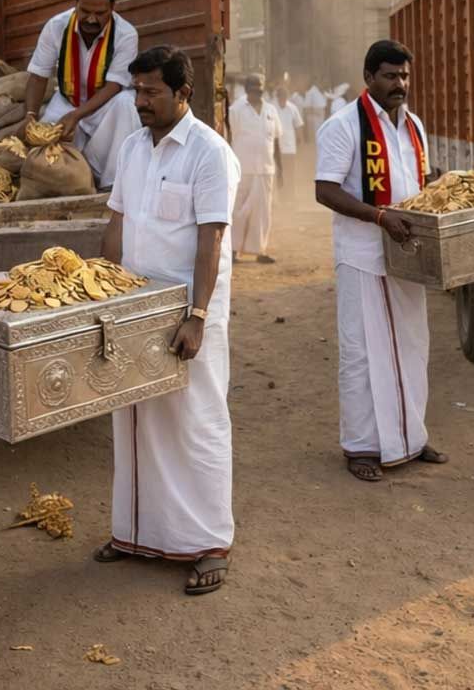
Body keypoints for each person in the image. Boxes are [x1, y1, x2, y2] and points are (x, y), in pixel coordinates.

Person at [94, 45, 241, 595]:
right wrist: (101, 295)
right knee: (132, 418)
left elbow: (212, 238)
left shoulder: (210, 153)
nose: (141, 102)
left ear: (183, 93)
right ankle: (133, 533)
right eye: (136, 91)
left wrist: (197, 316)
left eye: (152, 91)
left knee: (196, 420)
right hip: (132, 308)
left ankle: (209, 543)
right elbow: (117, 221)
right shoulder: (133, 148)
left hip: (187, 312)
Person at [315, 40, 449, 483]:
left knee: (413, 345)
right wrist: (379, 216)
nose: (400, 85)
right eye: (391, 76)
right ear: (369, 77)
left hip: (408, 254)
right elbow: (325, 190)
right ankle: (361, 445)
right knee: (362, 352)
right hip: (362, 254)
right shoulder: (343, 126)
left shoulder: (414, 126)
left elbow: (423, 182)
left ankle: (411, 436)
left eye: (405, 76)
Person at [23, 0, 140, 187]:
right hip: (66, 100)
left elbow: (115, 85)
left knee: (127, 103)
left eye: (100, 13)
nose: (91, 19)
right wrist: (30, 116)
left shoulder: (126, 34)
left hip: (105, 104)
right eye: (84, 11)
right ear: (75, 3)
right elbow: (39, 75)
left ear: (112, 8)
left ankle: (112, 185)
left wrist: (76, 116)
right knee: (44, 157)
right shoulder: (56, 26)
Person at [228, 74, 283, 263]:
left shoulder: (271, 110)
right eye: (253, 89)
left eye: (260, 89)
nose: (257, 93)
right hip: (243, 167)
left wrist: (280, 169)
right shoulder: (235, 110)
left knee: (263, 212)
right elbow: (230, 138)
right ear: (246, 90)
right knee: (238, 209)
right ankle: (234, 250)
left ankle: (260, 250)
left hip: (266, 169)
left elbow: (275, 141)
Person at [274, 84, 305, 196]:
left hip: (290, 147)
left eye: (284, 97)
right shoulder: (272, 108)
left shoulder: (292, 108)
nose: (282, 99)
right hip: (276, 147)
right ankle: (280, 196)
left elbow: (298, 125)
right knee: (278, 173)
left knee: (290, 173)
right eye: (280, 97)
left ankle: (290, 196)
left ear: (287, 97)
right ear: (277, 97)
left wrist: (300, 140)